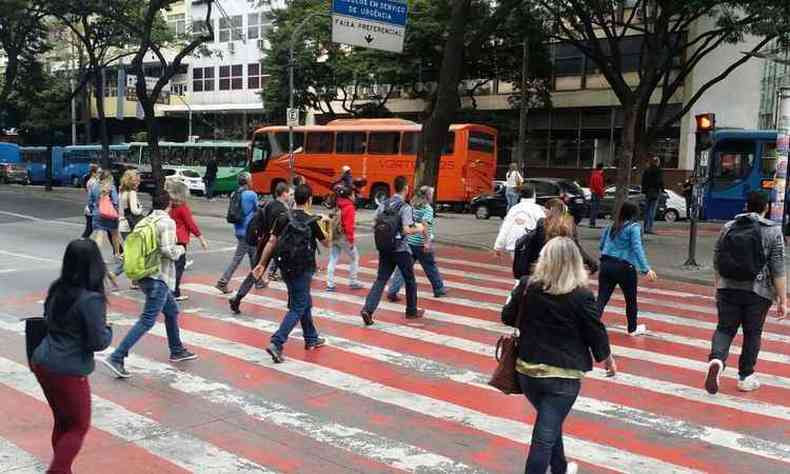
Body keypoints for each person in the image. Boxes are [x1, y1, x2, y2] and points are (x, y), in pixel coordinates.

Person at [509, 237, 615, 474]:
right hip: (563, 376)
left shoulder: (527, 286)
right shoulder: (582, 295)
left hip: (528, 372)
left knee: (549, 423)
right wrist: (606, 357)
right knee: (544, 436)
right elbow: (595, 330)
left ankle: (561, 468)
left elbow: (507, 316)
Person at [31, 239, 113, 474]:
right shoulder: (91, 299)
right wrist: (109, 330)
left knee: (63, 421)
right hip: (67, 369)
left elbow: (48, 319)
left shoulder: (58, 288)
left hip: (42, 360)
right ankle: (58, 471)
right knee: (78, 426)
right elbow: (97, 342)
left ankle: (62, 469)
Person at [103, 193, 197, 378]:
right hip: (158, 277)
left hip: (144, 275)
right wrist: (181, 249)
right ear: (169, 205)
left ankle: (177, 349)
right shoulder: (166, 222)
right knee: (147, 320)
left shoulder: (145, 221)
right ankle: (117, 356)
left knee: (172, 311)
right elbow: (168, 251)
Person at [705, 191, 786, 394]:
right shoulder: (773, 231)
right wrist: (782, 299)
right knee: (752, 333)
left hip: (727, 288)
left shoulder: (728, 227)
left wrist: (719, 286)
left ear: (746, 206)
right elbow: (778, 267)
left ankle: (717, 360)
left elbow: (717, 259)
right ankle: (745, 376)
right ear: (765, 207)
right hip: (757, 292)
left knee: (724, 329)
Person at [253, 183, 329, 363]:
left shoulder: (283, 217)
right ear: (309, 200)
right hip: (304, 268)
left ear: (295, 198)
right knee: (298, 305)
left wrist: (262, 264)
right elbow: (327, 243)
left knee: (304, 301)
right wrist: (327, 223)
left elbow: (272, 242)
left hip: (285, 267)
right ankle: (277, 342)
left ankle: (311, 337)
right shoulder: (312, 220)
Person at [360, 176, 426, 325]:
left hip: (385, 247)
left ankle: (367, 309)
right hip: (401, 249)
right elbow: (407, 229)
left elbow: (374, 223)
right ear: (405, 188)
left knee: (381, 279)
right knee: (410, 280)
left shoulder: (384, 203)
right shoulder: (405, 207)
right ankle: (411, 311)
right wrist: (420, 228)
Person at [597, 201, 658, 336]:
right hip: (625, 266)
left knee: (602, 298)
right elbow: (637, 248)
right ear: (634, 214)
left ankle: (591, 325)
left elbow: (601, 245)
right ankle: (632, 328)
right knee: (630, 299)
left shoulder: (611, 226)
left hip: (606, 263)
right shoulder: (633, 227)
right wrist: (646, 269)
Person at [230, 182, 291, 314]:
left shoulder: (269, 204)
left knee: (256, 270)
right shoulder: (282, 210)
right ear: (284, 193)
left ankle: (238, 297)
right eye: (289, 193)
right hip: (276, 244)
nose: (290, 196)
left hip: (263, 242)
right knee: (289, 272)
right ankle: (293, 301)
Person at [387, 185, 447, 300]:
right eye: (432, 194)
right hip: (420, 243)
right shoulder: (427, 209)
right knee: (430, 266)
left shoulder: (411, 206)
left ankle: (392, 291)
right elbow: (425, 225)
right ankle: (438, 289)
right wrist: (427, 242)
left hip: (409, 242)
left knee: (402, 268)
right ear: (428, 196)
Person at [523, 199, 598, 276]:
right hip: (563, 264)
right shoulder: (570, 224)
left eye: (546, 210)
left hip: (545, 263)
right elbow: (576, 247)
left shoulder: (542, 223)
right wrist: (590, 261)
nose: (544, 212)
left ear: (551, 209)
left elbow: (535, 245)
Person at [215, 172, 258, 294]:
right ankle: (223, 281)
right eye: (251, 179)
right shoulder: (251, 195)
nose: (252, 181)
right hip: (248, 231)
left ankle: (258, 280)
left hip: (238, 229)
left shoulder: (234, 193)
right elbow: (257, 210)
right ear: (247, 181)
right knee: (238, 258)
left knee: (253, 254)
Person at [168, 181, 208, 301]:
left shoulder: (170, 206)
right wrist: (201, 238)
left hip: (170, 238)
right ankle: (174, 292)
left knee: (171, 266)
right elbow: (190, 224)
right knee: (179, 266)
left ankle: (172, 290)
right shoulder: (182, 208)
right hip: (180, 240)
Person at [326, 184, 363, 292]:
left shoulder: (337, 204)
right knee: (354, 257)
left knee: (333, 258)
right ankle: (353, 281)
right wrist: (351, 242)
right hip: (344, 237)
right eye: (353, 194)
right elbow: (349, 227)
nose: (355, 196)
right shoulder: (349, 207)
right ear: (349, 196)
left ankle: (330, 284)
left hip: (334, 235)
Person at [494, 184, 545, 256]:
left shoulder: (514, 209)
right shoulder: (537, 209)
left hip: (513, 245)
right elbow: (544, 228)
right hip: (530, 246)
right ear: (534, 195)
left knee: (517, 266)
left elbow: (505, 228)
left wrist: (498, 246)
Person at [88, 169, 122, 258]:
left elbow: (90, 201)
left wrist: (93, 210)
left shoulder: (94, 186)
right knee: (115, 234)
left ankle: (96, 257)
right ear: (109, 177)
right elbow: (115, 201)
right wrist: (117, 211)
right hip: (110, 214)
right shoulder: (111, 187)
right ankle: (117, 254)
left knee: (99, 235)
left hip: (97, 213)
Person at [641, 155, 664, 234]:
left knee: (646, 210)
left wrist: (644, 190)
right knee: (652, 211)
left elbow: (643, 181)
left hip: (647, 192)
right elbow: (660, 182)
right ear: (657, 162)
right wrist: (662, 189)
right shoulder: (658, 171)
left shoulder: (647, 170)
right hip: (655, 192)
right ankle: (649, 228)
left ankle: (645, 227)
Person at [119, 169, 143, 241]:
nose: (139, 183)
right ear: (131, 181)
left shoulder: (122, 192)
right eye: (137, 181)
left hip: (121, 224)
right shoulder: (132, 193)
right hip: (130, 224)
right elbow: (134, 211)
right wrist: (140, 209)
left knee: (126, 248)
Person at [81, 164, 100, 238]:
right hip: (92, 208)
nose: (100, 174)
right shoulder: (93, 182)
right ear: (93, 173)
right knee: (89, 229)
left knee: (90, 229)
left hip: (91, 208)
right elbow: (95, 195)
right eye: (98, 173)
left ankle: (82, 241)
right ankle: (82, 242)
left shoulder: (92, 181)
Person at [588, 163, 605, 228]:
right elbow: (598, 186)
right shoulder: (598, 176)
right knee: (595, 209)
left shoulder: (594, 175)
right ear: (601, 168)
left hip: (594, 193)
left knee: (593, 208)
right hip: (596, 194)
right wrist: (602, 194)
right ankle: (592, 223)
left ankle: (592, 222)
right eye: (603, 169)